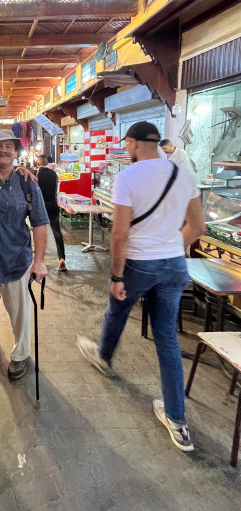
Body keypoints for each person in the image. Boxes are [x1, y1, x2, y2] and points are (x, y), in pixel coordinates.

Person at [77, 121, 205, 453]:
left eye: (127, 144)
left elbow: (119, 234)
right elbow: (198, 226)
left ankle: (104, 357)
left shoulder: (128, 177)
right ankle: (178, 422)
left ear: (133, 143)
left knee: (116, 311)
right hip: (174, 265)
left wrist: (117, 276)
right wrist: (171, 249)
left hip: (138, 263)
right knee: (167, 339)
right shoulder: (183, 174)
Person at [0, 129, 49, 380]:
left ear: (16, 152)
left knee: (19, 314)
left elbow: (39, 223)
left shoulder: (27, 183)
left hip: (16, 262)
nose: (3, 150)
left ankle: (20, 354)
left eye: (9, 146)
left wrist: (39, 261)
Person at [37, 154, 66, 271]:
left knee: (40, 233)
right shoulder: (54, 174)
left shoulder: (38, 174)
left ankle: (40, 260)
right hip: (53, 204)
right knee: (57, 231)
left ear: (38, 163)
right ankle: (61, 258)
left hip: (41, 206)